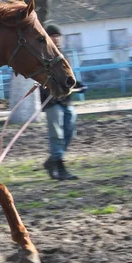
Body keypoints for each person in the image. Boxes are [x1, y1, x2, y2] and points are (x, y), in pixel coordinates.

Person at [40, 24, 87, 180]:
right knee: (57, 135)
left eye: (57, 36)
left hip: (66, 100)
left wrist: (77, 84)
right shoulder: (42, 56)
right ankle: (59, 169)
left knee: (69, 132)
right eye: (53, 36)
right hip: (51, 101)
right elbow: (40, 79)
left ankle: (52, 160)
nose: (56, 39)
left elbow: (67, 77)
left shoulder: (63, 56)